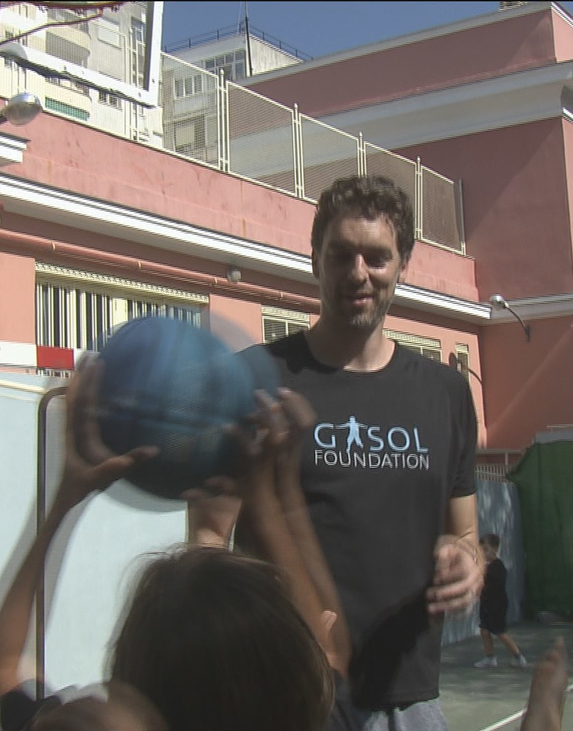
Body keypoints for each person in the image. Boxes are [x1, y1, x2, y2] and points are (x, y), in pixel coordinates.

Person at [189, 174, 482, 728]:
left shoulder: (445, 393)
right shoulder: (254, 379)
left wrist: (470, 563)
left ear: (403, 263)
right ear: (315, 258)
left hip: (411, 702)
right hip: (286, 695)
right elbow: (207, 539)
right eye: (341, 254)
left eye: (377, 257)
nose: (358, 273)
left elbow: (464, 535)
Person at [0, 367, 345, 731]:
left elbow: (3, 662)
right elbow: (329, 656)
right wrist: (269, 496)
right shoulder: (315, 715)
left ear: (128, 669)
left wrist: (66, 497)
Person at [473, 533, 526, 669]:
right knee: (484, 630)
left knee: (500, 632)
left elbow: (490, 584)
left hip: (497, 605)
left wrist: (481, 576)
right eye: (481, 550)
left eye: (486, 550)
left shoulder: (497, 567)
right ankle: (490, 658)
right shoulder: (486, 566)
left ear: (495, 549)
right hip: (486, 604)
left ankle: (518, 657)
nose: (483, 553)